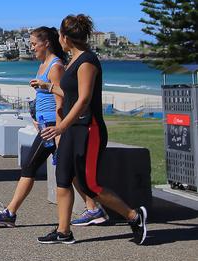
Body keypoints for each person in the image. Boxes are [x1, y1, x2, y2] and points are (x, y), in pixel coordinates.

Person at [32, 14, 147, 245]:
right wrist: (50, 86)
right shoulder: (72, 61)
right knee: (63, 178)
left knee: (90, 184)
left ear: (65, 37)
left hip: (88, 129)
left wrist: (61, 126)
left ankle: (134, 216)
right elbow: (72, 94)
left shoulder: (87, 62)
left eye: (60, 36)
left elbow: (84, 100)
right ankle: (64, 231)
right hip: (72, 130)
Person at [0, 27, 106, 227]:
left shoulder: (56, 66)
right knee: (70, 172)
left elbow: (63, 99)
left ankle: (10, 212)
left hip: (52, 126)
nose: (31, 48)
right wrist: (35, 116)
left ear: (46, 43)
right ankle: (92, 208)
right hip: (45, 125)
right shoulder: (43, 65)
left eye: (34, 44)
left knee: (30, 166)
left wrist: (59, 129)